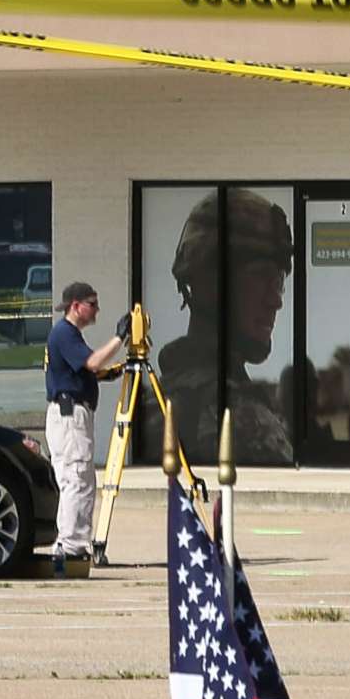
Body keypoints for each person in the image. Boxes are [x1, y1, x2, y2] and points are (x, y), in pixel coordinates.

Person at [153, 188, 298, 466]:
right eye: (260, 277)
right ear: (209, 282)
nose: (275, 301)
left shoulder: (161, 396)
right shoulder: (242, 416)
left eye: (278, 282)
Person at [45, 280, 126, 574]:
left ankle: (73, 543)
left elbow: (84, 370)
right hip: (69, 415)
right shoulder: (64, 333)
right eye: (92, 304)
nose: (96, 310)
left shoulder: (71, 335)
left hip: (74, 412)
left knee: (82, 479)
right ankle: (71, 546)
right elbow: (91, 363)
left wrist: (110, 373)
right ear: (76, 306)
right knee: (76, 478)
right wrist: (120, 339)